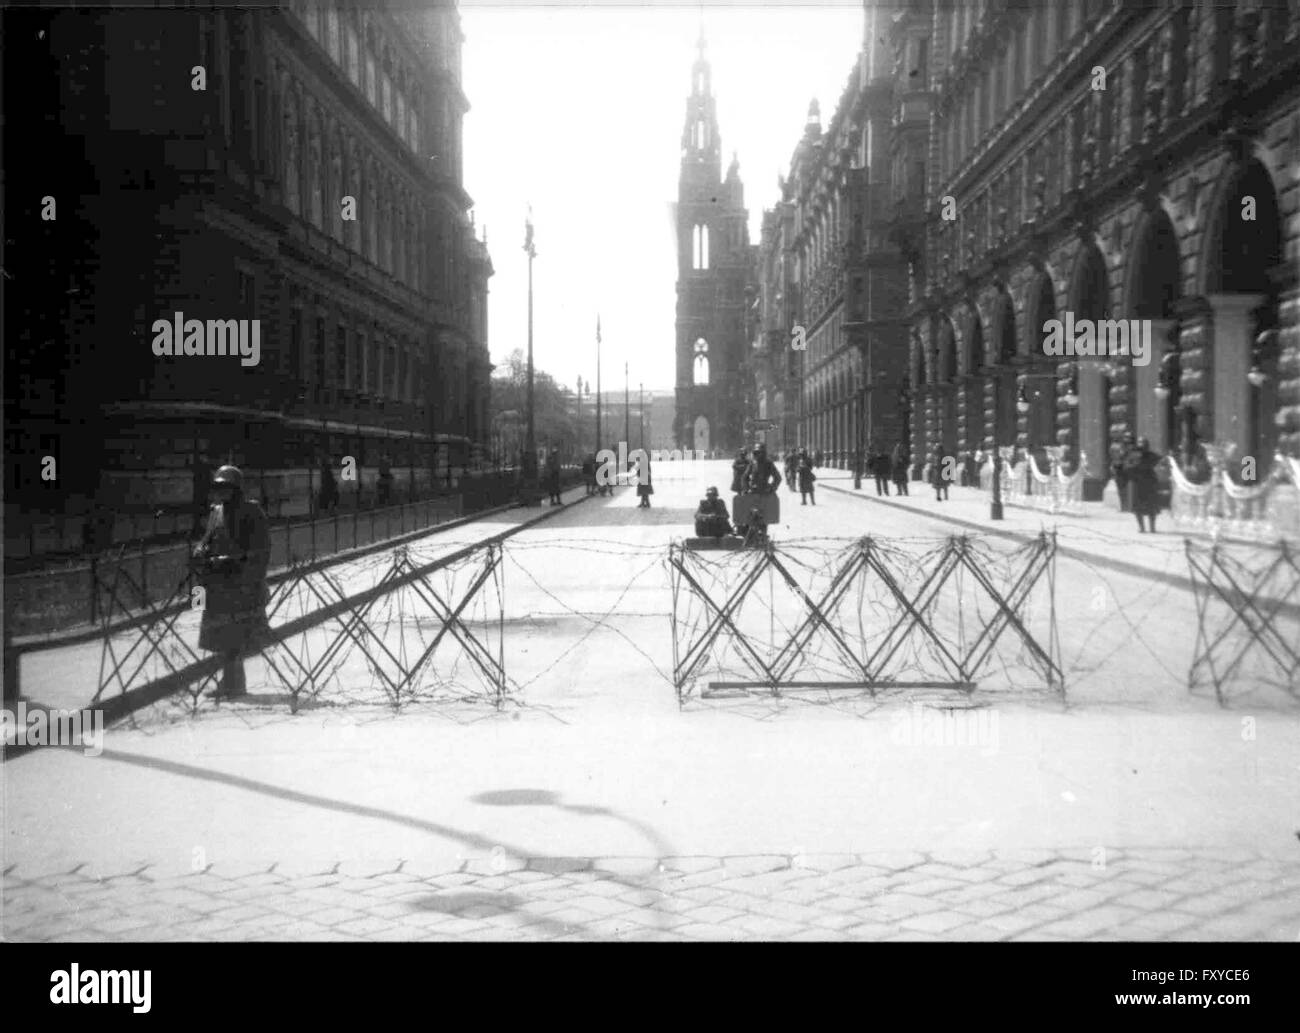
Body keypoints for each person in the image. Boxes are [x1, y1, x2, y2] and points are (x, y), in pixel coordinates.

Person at [192, 465, 271, 699]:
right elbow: (207, 540)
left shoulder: (252, 512)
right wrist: (200, 551)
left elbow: (261, 550)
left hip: (241, 585)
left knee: (236, 637)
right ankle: (228, 682)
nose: (222, 492)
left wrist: (241, 566)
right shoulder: (216, 512)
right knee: (220, 637)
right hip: (218, 584)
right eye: (219, 487)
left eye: (226, 487)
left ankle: (235, 684)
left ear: (237, 489)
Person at [1124, 437, 1162, 533]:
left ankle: (1152, 527)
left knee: (1151, 507)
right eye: (1141, 443)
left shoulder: (1152, 456)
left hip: (1149, 483)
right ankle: (1142, 527)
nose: (1143, 446)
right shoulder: (1133, 456)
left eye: (1144, 444)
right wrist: (1133, 470)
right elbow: (1127, 467)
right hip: (1138, 483)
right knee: (1138, 508)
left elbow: (1158, 461)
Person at [1111, 433, 1136, 512]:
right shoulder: (1121, 447)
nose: (1126, 440)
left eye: (1128, 438)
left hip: (1128, 470)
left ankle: (1128, 507)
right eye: (1125, 438)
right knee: (1121, 489)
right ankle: (1124, 507)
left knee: (1127, 489)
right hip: (1120, 470)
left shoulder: (1133, 449)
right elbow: (1117, 459)